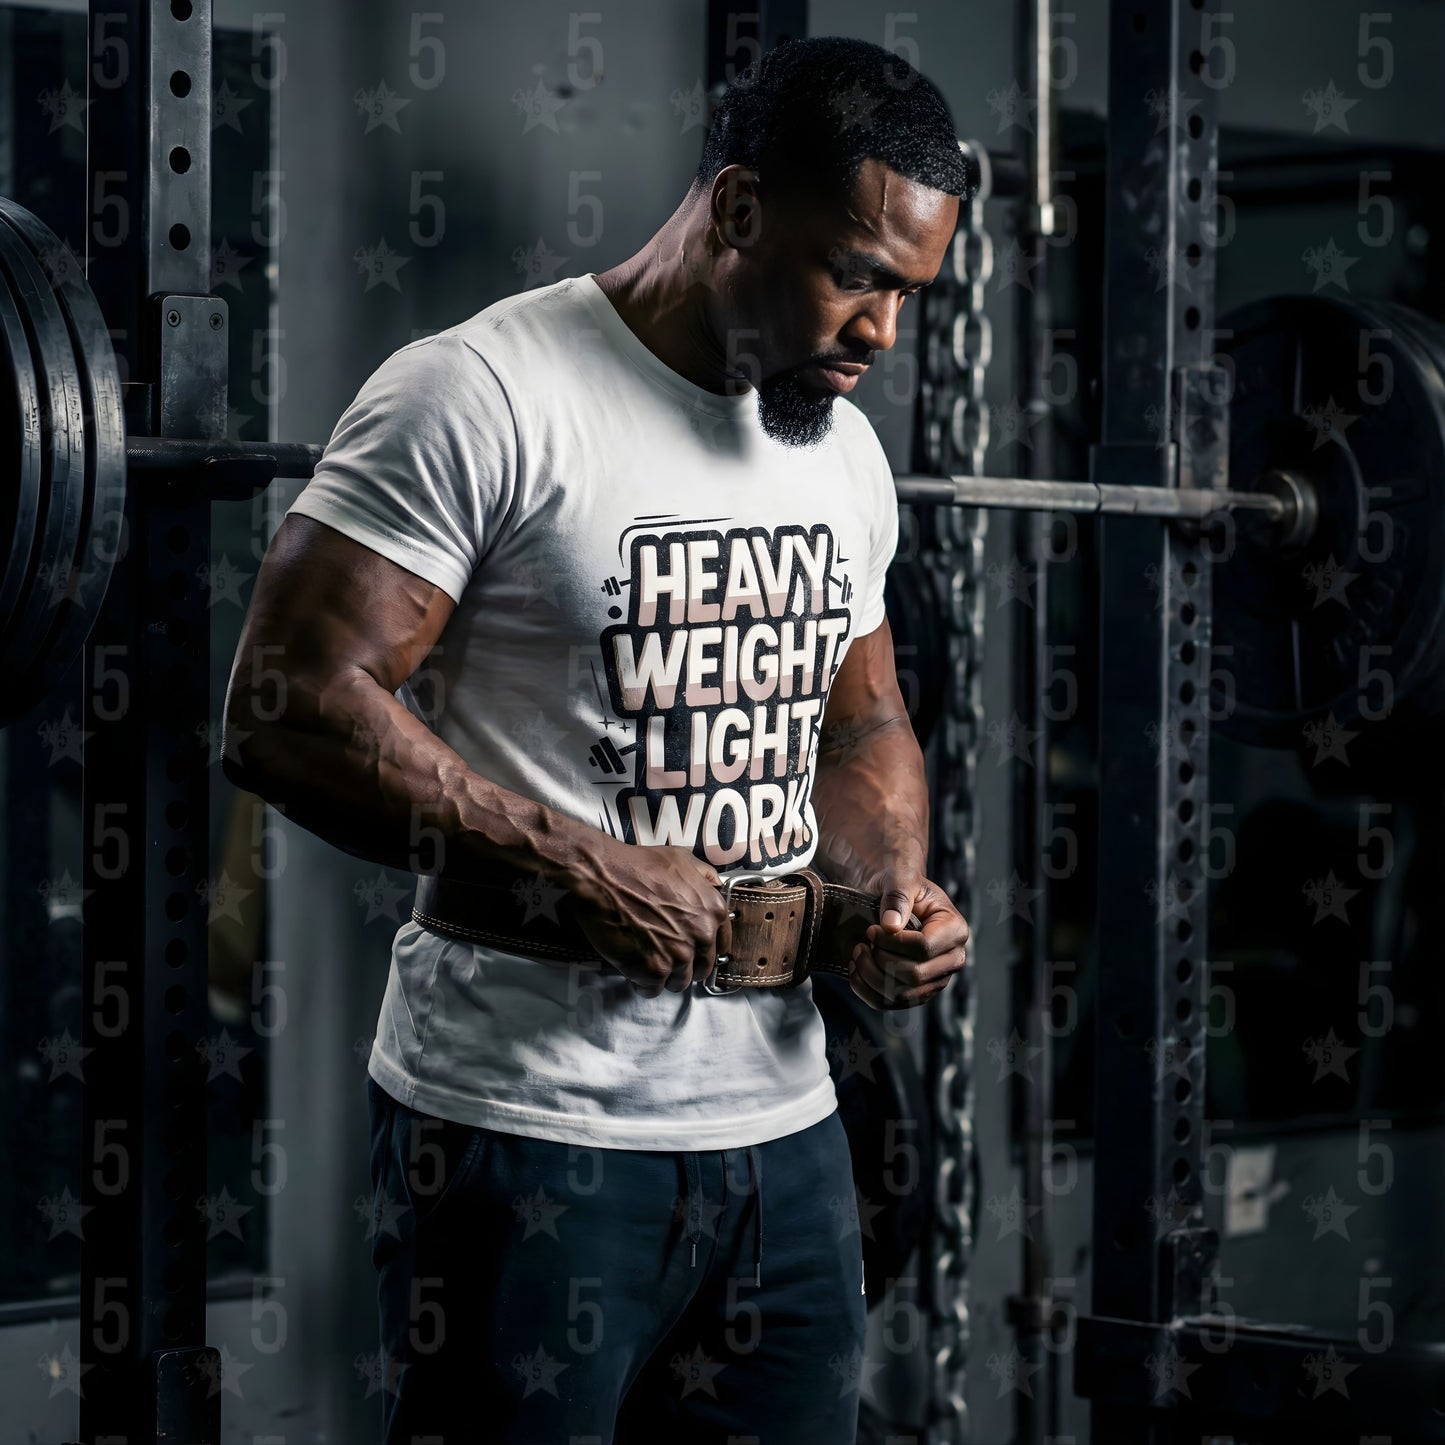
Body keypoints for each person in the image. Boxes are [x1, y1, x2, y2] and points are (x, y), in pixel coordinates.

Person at [224, 33, 972, 1445]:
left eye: (907, 293)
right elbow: (286, 708)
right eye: (858, 275)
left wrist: (883, 898)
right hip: (523, 1134)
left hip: (782, 1135)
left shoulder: (840, 450)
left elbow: (860, 711)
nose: (880, 331)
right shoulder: (482, 391)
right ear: (738, 208)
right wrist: (581, 861)